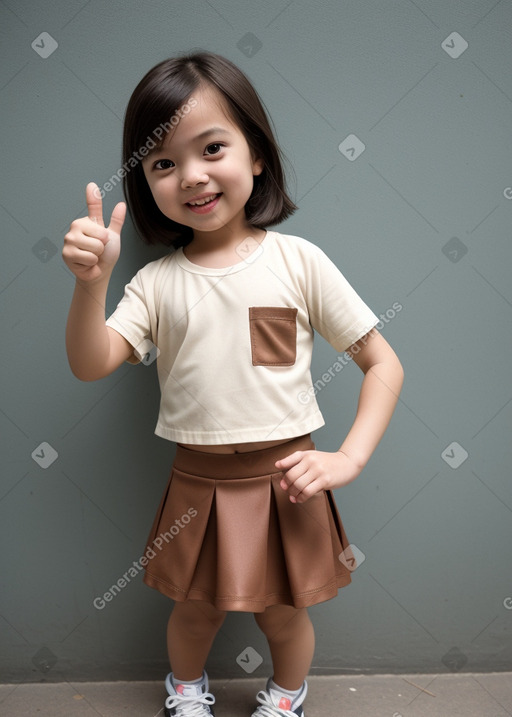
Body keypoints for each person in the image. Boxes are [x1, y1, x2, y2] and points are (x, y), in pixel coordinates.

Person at [63, 51, 404, 717]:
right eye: (162, 163)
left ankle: (286, 695)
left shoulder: (299, 260)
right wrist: (91, 286)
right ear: (145, 183)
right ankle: (186, 689)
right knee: (195, 613)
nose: (190, 175)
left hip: (289, 479)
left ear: (256, 155)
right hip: (198, 480)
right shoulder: (157, 282)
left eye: (211, 146)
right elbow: (90, 360)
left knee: (284, 615)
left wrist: (348, 457)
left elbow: (383, 363)